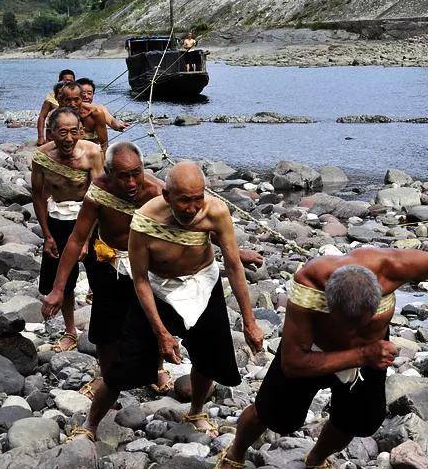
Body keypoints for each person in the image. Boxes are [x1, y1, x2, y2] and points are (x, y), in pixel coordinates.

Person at [215, 248, 428, 469]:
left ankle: (315, 460)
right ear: (328, 301)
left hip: (369, 356)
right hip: (315, 353)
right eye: (345, 322)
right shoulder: (309, 284)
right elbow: (293, 363)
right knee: (273, 415)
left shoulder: (394, 266)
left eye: (362, 321)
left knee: (358, 422)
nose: (353, 330)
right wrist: (363, 353)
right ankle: (236, 452)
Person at [42, 143, 264, 397]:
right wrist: (58, 289)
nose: (131, 182)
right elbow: (76, 239)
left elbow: (190, 224)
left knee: (150, 322)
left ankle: (157, 370)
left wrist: (235, 252)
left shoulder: (160, 192)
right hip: (110, 261)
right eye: (123, 176)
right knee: (106, 328)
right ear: (108, 172)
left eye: (136, 173)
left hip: (148, 266)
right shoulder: (99, 192)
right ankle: (107, 378)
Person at [31, 107, 103, 352]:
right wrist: (47, 235)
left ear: (81, 131)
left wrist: (85, 238)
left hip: (90, 220)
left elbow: (98, 196)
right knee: (63, 282)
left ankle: (103, 332)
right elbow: (38, 194)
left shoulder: (92, 153)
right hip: (58, 218)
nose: (69, 138)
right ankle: (70, 330)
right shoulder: (41, 157)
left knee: (101, 277)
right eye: (62, 132)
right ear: (51, 133)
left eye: (74, 131)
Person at [60, 82, 108, 154]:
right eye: (68, 100)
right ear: (62, 101)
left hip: (91, 153)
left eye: (76, 100)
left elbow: (104, 144)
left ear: (81, 99)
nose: (73, 104)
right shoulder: (58, 116)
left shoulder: (96, 113)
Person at [36, 69, 75, 146]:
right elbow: (42, 117)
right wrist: (40, 137)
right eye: (66, 81)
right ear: (60, 81)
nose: (68, 83)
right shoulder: (50, 98)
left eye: (71, 81)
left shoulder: (76, 96)